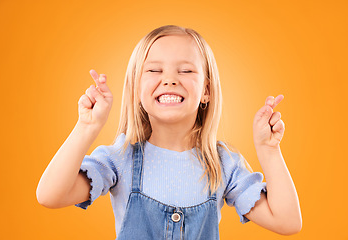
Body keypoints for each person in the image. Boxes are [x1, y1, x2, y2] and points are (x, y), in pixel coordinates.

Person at [36, 25, 302, 239]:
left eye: (185, 70)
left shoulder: (223, 164)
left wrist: (269, 151)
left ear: (206, 91)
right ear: (137, 89)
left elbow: (288, 222)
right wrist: (87, 127)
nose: (170, 79)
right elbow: (50, 195)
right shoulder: (120, 157)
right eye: (154, 70)